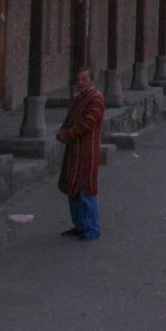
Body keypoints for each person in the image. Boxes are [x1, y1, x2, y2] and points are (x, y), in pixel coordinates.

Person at [56, 64, 105, 241]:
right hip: (73, 151)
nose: (81, 82)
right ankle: (79, 225)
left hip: (87, 151)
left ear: (92, 80)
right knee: (73, 190)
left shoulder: (96, 99)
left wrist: (68, 134)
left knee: (86, 190)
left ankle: (92, 228)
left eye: (84, 79)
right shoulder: (78, 99)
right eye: (79, 79)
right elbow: (70, 119)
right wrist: (62, 131)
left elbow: (88, 123)